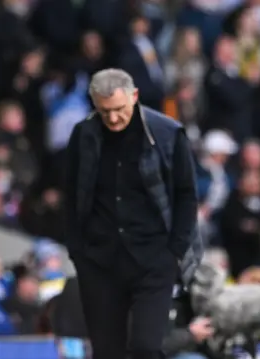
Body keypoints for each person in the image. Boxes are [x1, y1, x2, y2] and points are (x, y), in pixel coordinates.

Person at [65, 68, 203, 359]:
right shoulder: (84, 135)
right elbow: (70, 195)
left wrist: (174, 251)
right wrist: (77, 250)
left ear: (135, 97)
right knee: (106, 352)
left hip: (154, 259)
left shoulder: (167, 134)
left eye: (119, 109)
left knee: (147, 347)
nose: (113, 118)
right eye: (104, 112)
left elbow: (187, 195)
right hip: (99, 261)